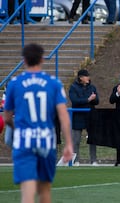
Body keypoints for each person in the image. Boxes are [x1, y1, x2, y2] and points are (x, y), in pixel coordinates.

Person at [3, 43, 73, 203]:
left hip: (24, 141)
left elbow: (6, 117)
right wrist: (69, 144)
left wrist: (17, 129)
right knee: (44, 190)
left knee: (27, 192)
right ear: (42, 59)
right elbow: (63, 116)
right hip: (46, 141)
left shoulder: (14, 83)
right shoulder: (54, 83)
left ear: (24, 60)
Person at [69, 69, 99, 166]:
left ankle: (93, 160)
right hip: (78, 116)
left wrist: (93, 99)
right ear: (80, 77)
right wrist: (88, 99)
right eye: (86, 76)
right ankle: (76, 160)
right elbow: (75, 100)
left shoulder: (92, 87)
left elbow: (97, 101)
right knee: (76, 140)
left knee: (92, 139)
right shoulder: (73, 87)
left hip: (90, 116)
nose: (88, 78)